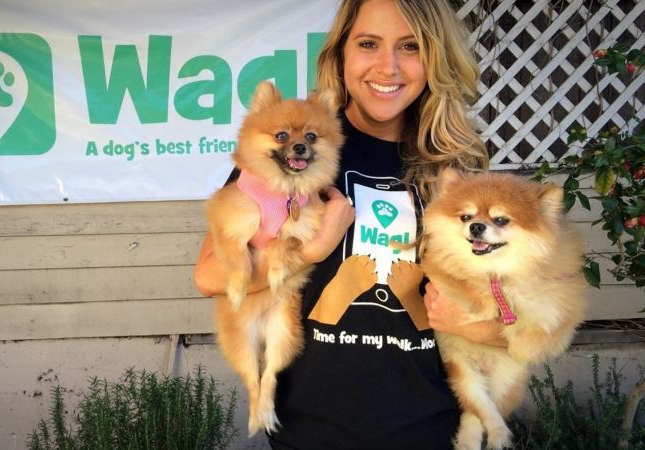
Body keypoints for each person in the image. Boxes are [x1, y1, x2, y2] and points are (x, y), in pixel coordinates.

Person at [194, 0, 504, 448]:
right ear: (341, 55)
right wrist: (311, 251)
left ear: (435, 58)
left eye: (410, 47)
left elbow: (512, 309)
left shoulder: (458, 170)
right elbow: (209, 276)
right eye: (368, 44)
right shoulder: (296, 153)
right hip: (310, 430)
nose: (388, 66)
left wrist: (479, 326)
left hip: (431, 429)